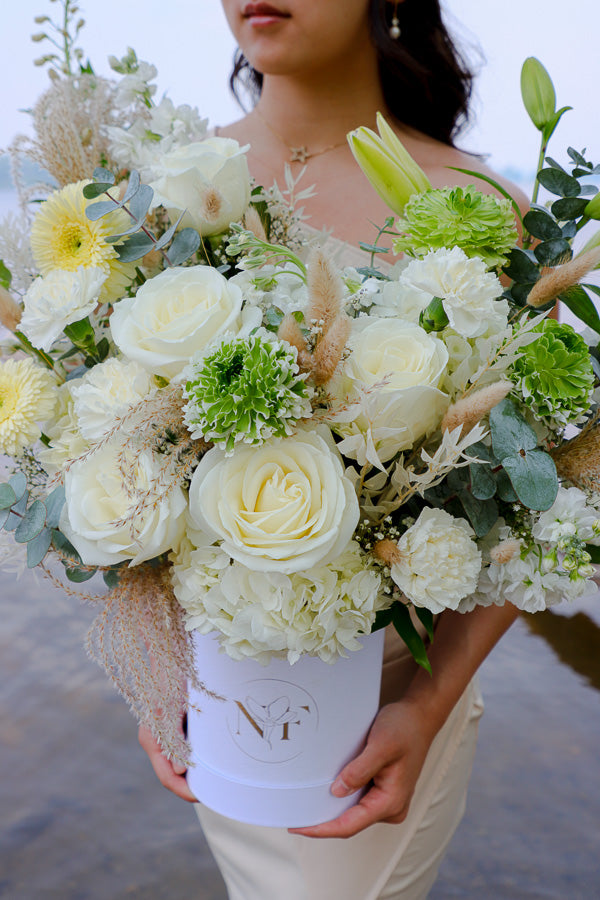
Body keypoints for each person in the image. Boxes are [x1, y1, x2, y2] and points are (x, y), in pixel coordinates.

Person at [138, 1, 529, 896]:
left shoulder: (477, 210)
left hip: (389, 707)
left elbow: (547, 511)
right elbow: (114, 461)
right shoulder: (163, 190)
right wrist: (156, 676)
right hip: (219, 696)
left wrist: (429, 705)